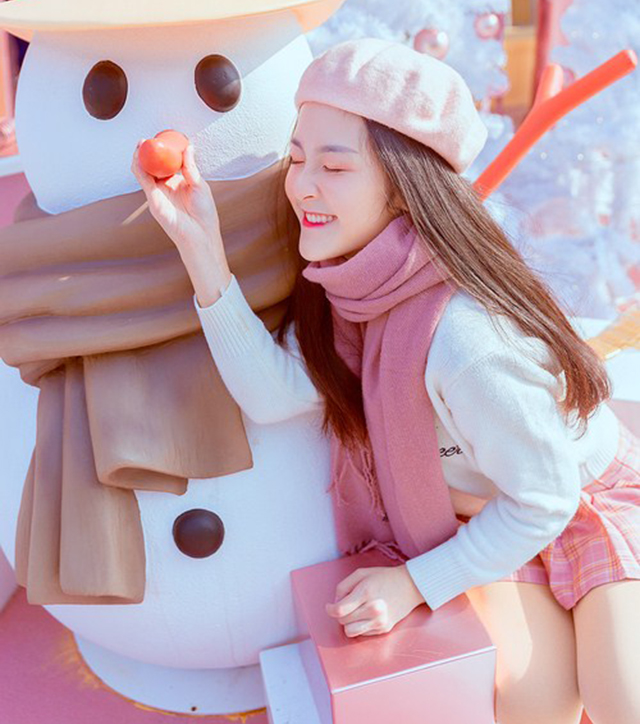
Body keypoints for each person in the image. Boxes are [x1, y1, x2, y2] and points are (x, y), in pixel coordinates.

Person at [132, 38, 640, 724]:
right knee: (529, 706)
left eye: (335, 165)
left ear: (403, 188)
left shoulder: (465, 338)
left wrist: (412, 584)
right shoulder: (357, 296)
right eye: (300, 156)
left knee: (621, 704)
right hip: (491, 513)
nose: (302, 184)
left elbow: (545, 499)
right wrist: (201, 249)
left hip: (576, 502)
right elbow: (274, 393)